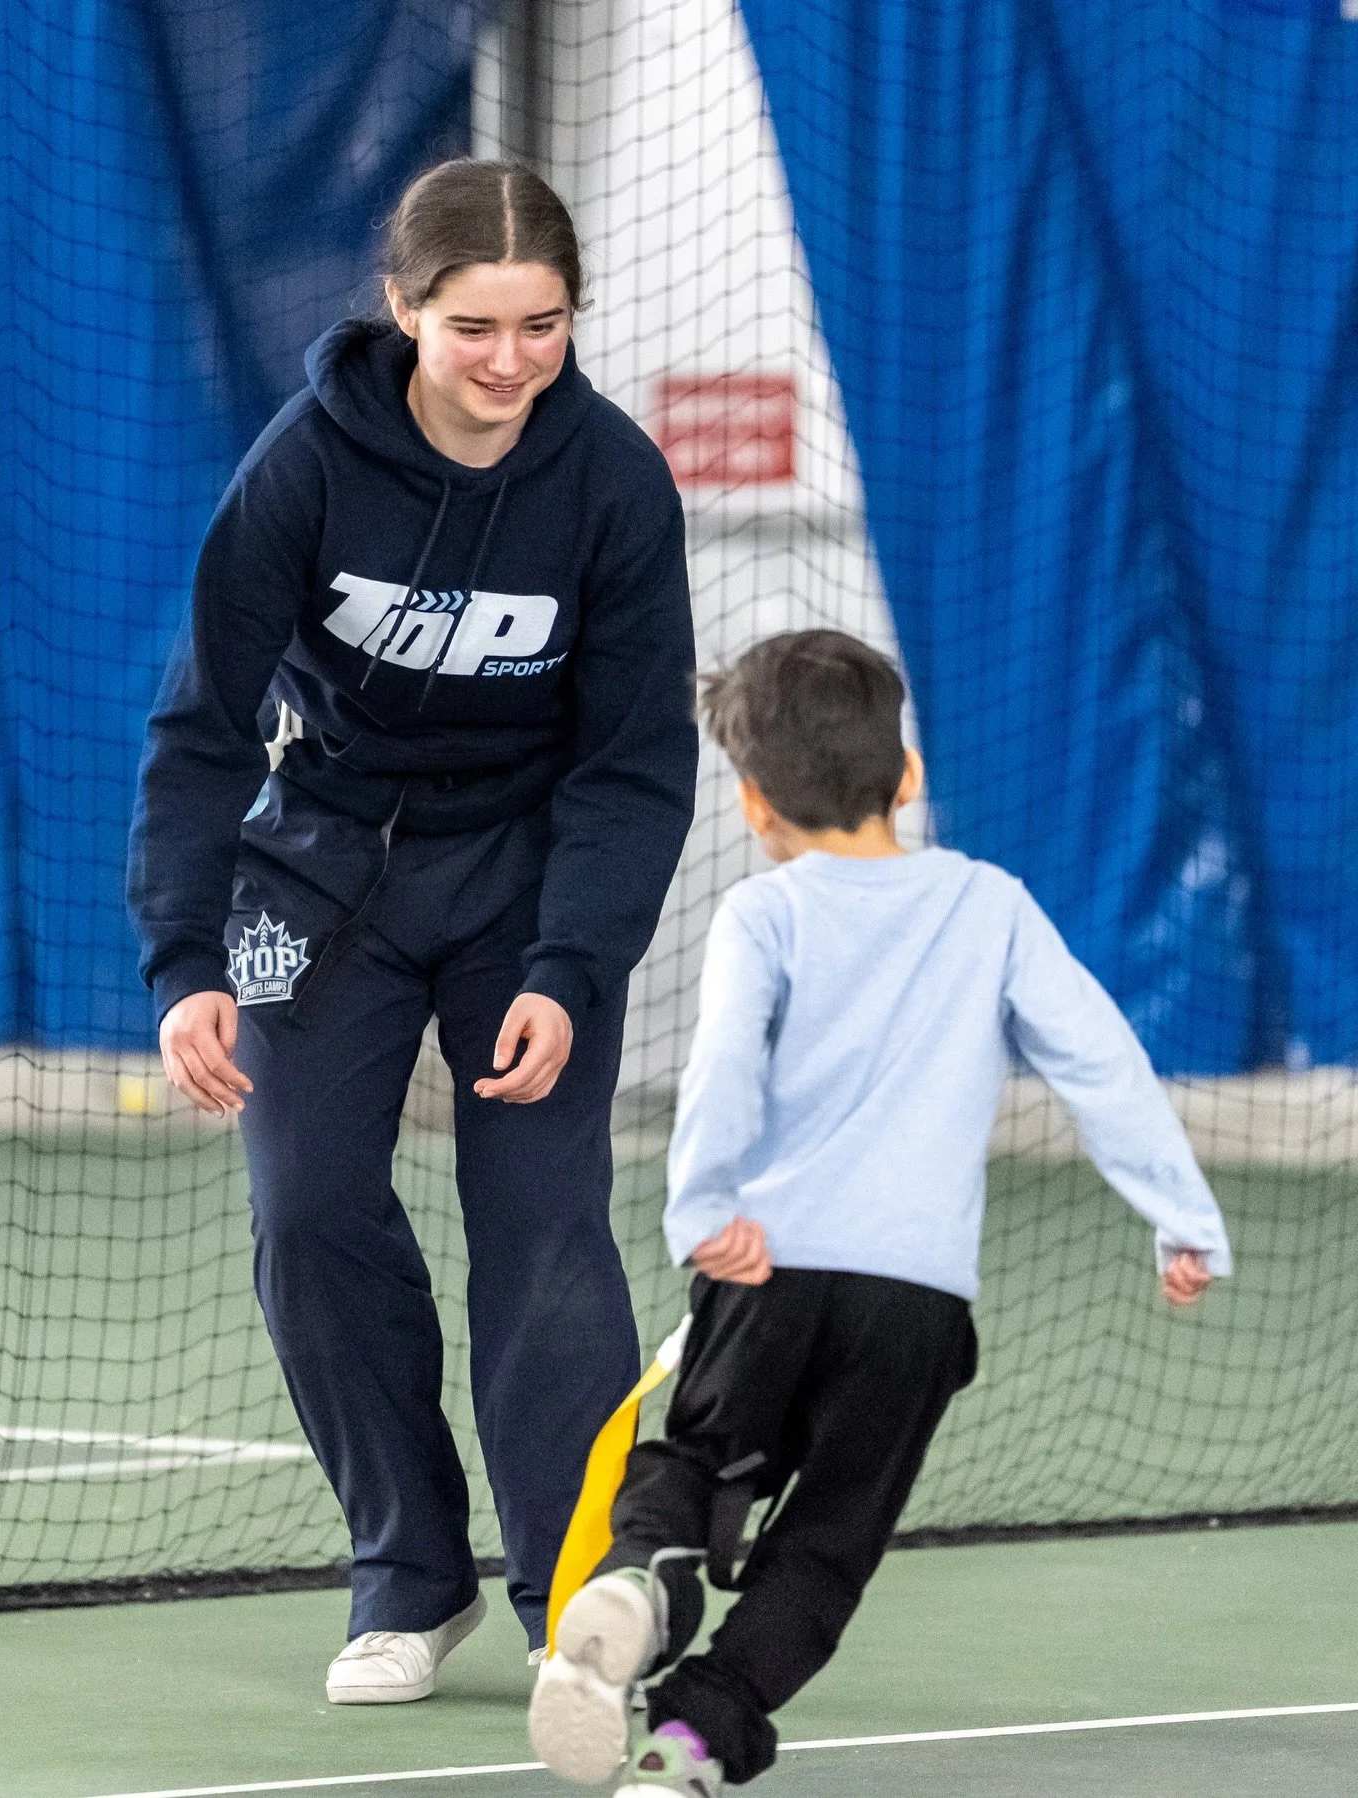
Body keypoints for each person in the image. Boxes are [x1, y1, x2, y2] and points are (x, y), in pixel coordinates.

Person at [126, 158, 698, 1701]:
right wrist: (184, 960)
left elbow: (636, 761)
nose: (511, 359)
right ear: (403, 311)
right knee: (306, 1209)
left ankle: (575, 1594)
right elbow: (200, 727)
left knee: (546, 1230)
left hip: (522, 891)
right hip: (319, 881)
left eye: (544, 323)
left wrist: (573, 969)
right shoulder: (303, 467)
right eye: (474, 327)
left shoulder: (613, 484)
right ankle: (408, 1576)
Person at [528, 629, 1231, 1794]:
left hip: (764, 1271)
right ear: (907, 774)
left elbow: (722, 1075)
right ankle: (694, 1740)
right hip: (912, 1303)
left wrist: (702, 1210)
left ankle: (646, 1573)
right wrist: (1183, 1215)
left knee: (699, 1456)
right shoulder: (989, 906)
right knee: (830, 1540)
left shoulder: (763, 915)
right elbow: (1102, 1060)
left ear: (756, 807)